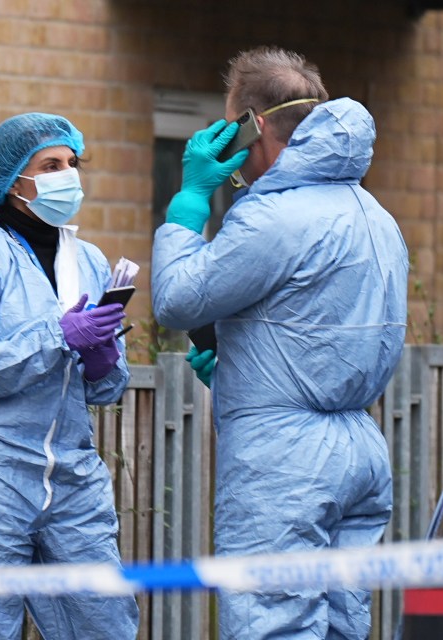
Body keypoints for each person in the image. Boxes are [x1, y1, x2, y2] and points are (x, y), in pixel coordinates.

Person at [152, 47, 409, 639]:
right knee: (344, 626)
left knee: (274, 625)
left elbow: (177, 300)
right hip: (360, 450)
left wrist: (188, 204)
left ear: (253, 124)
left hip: (284, 464)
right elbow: (326, 330)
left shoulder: (275, 216)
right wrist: (246, 366)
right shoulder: (375, 216)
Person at [0, 112, 139, 639]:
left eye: (72, 163)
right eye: (51, 164)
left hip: (73, 473)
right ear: (14, 179)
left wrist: (104, 360)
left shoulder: (88, 260)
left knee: (103, 623)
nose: (69, 175)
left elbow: (106, 386)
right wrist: (58, 336)